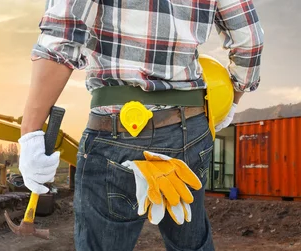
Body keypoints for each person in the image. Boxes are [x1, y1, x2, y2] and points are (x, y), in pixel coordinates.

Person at [17, 0, 263, 250]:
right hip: (189, 127)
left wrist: (30, 132)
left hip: (115, 129)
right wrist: (233, 101)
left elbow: (63, 33)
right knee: (190, 241)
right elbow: (250, 41)